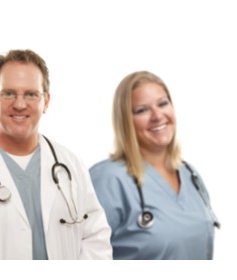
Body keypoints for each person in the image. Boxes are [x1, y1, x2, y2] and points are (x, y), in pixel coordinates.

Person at [0, 49, 112, 259]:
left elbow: (96, 239)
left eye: (31, 94)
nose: (20, 104)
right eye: (8, 93)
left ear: (46, 101)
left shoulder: (70, 164)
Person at [89, 71, 219, 259]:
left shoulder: (191, 175)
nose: (157, 116)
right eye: (142, 110)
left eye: (163, 104)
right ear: (126, 121)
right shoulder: (108, 180)